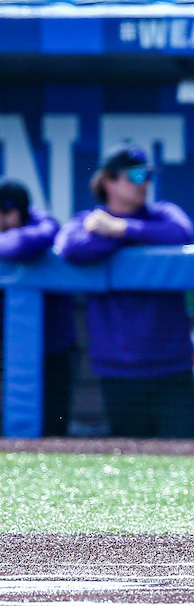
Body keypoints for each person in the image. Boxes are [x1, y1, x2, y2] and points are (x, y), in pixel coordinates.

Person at [56, 145, 194, 440]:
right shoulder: (88, 222)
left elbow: (181, 233)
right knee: (132, 465)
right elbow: (69, 247)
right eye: (135, 176)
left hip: (171, 368)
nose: (144, 183)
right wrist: (117, 233)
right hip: (118, 372)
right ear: (108, 181)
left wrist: (120, 228)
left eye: (147, 176)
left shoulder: (162, 214)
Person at [0, 180, 76, 435]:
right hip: (5, 356)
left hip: (52, 354)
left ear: (12, 214)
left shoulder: (44, 223)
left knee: (53, 433)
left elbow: (20, 245)